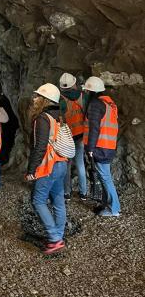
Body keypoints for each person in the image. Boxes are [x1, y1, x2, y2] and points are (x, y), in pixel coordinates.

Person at [25, 83, 68, 255]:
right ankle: (59, 235)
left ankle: (55, 238)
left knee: (38, 200)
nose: (34, 99)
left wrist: (31, 170)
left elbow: (40, 146)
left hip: (49, 166)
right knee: (58, 200)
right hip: (61, 164)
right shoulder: (59, 116)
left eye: (37, 96)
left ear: (46, 100)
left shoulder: (43, 118)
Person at [83, 76, 120, 217]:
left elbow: (94, 128)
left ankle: (113, 208)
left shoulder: (95, 105)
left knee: (105, 178)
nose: (86, 92)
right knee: (105, 176)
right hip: (109, 146)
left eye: (87, 90)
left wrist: (90, 149)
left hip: (100, 147)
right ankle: (107, 205)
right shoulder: (109, 104)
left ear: (91, 91)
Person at [59, 72, 88, 201]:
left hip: (68, 137)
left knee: (67, 165)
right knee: (80, 163)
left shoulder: (60, 99)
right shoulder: (83, 96)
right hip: (81, 135)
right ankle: (83, 193)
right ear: (74, 84)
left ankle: (67, 193)